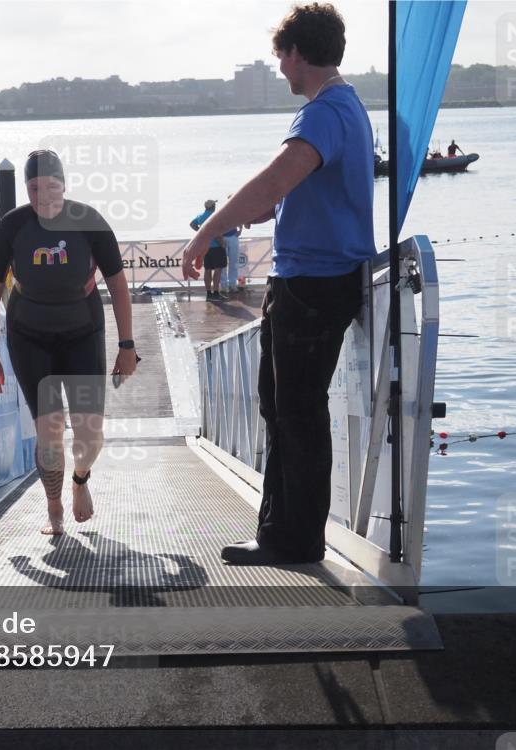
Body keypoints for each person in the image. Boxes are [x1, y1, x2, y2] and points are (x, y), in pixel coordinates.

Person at [181, 2, 374, 565]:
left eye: (282, 58)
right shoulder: (345, 108)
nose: (281, 68)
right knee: (283, 408)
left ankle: (295, 540)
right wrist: (267, 208)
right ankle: (282, 532)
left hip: (313, 284)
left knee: (296, 412)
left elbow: (271, 183)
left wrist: (206, 233)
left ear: (298, 53)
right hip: (316, 279)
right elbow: (287, 194)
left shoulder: (323, 114)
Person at [0, 149, 138, 535]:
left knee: (90, 435)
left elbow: (118, 285)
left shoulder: (89, 223)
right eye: (34, 188)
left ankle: (80, 479)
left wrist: (127, 345)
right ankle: (54, 506)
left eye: (51, 187)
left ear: (64, 185)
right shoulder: (12, 227)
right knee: (49, 432)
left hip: (83, 332)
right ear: (26, 189)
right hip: (29, 336)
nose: (44, 196)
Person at [190, 199, 227, 301]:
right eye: (214, 205)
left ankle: (209, 293)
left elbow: (192, 224)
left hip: (205, 247)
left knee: (208, 270)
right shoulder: (215, 216)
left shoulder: (200, 216)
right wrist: (222, 243)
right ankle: (216, 293)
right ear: (213, 207)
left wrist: (200, 232)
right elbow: (216, 233)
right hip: (216, 247)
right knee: (218, 270)